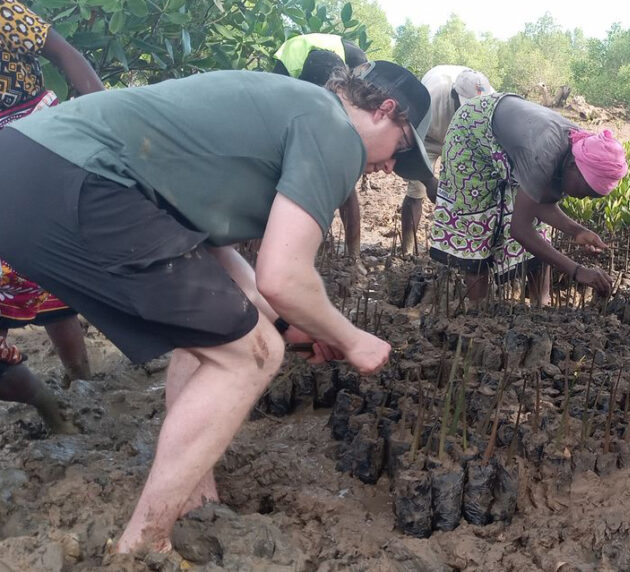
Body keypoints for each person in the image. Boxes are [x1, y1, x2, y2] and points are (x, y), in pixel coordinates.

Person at [0, 60, 432, 553]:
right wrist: (354, 340)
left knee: (221, 337)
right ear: (384, 111)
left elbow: (212, 259)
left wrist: (289, 322)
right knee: (254, 355)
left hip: (24, 168)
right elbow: (282, 275)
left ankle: (195, 498)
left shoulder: (287, 106)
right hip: (73, 179)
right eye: (400, 148)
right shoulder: (334, 129)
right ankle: (144, 546)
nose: (392, 166)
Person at [0, 0, 102, 430]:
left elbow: (64, 54)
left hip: (37, 134)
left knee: (41, 266)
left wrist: (104, 116)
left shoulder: (4, 12)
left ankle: (81, 384)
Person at [429, 93, 628, 304]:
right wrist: (577, 271)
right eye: (585, 191)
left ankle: (540, 305)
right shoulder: (545, 153)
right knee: (478, 223)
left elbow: (538, 203)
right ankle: (479, 311)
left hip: (516, 140)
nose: (583, 198)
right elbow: (520, 229)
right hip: (471, 133)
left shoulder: (579, 145)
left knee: (539, 231)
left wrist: (577, 231)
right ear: (573, 167)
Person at [272, 33, 369, 262]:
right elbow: (277, 110)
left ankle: (353, 253)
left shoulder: (355, 59)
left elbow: (364, 105)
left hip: (337, 86)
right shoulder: (286, 70)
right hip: (295, 90)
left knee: (345, 181)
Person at [398, 65, 495, 255]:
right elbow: (409, 142)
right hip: (427, 137)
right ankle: (407, 251)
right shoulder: (430, 95)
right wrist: (429, 181)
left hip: (464, 141)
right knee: (416, 191)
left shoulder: (490, 99)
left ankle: (460, 249)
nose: (470, 111)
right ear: (453, 95)